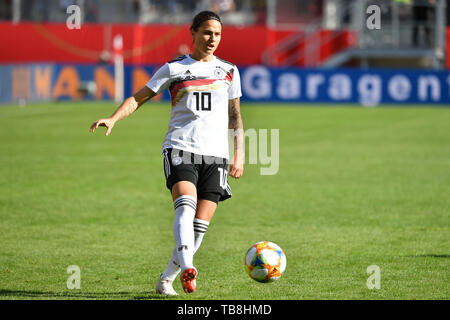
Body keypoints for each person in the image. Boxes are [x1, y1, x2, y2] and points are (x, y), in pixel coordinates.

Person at [89, 10, 244, 295]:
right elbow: (139, 98)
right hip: (181, 147)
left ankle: (166, 279)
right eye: (207, 32)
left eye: (218, 34)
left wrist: (239, 154)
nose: (212, 39)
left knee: (199, 227)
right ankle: (188, 268)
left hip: (216, 156)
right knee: (185, 205)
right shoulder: (174, 69)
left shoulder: (229, 71)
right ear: (193, 33)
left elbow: (235, 116)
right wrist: (113, 118)